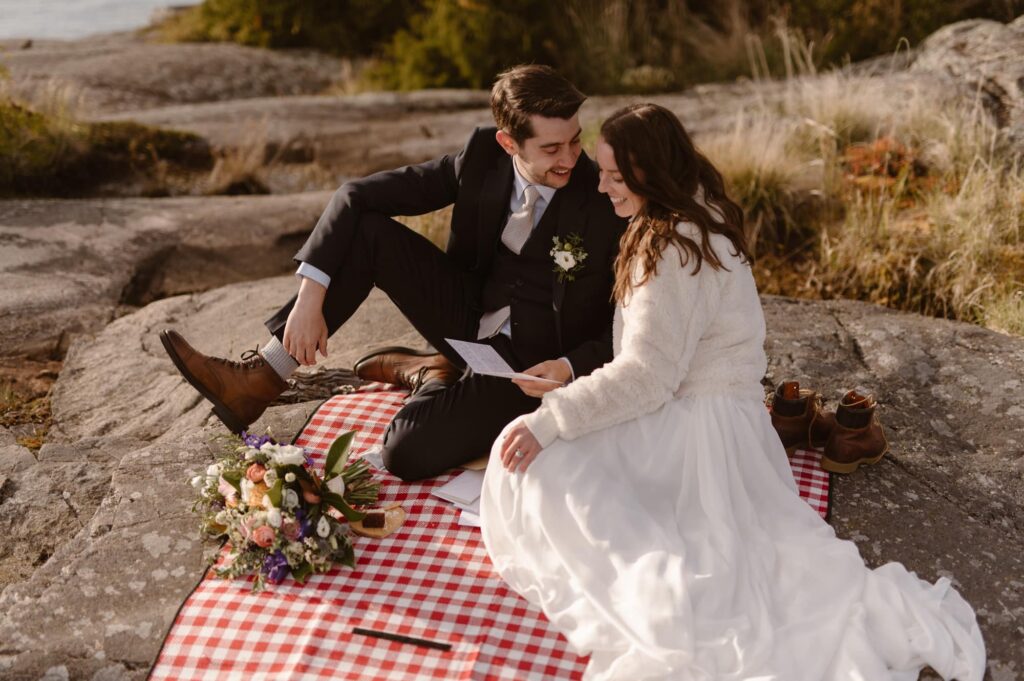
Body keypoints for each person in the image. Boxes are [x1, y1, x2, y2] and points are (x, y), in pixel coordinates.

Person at [479, 103, 986, 681]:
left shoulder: (670, 248)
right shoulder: (696, 216)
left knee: (538, 469)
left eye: (615, 177)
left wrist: (551, 420)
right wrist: (572, 380)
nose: (602, 186)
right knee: (554, 461)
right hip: (724, 418)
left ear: (650, 176)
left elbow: (647, 377)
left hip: (695, 431)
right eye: (604, 172)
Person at [159, 65, 626, 481]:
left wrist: (569, 367)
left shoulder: (604, 198)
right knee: (368, 233)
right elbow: (356, 194)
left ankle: (435, 373)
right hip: (468, 318)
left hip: (528, 372)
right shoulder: (483, 155)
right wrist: (309, 298)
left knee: (405, 453)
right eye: (551, 148)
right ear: (508, 143)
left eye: (574, 140)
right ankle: (264, 375)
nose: (569, 158)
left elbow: (626, 324)